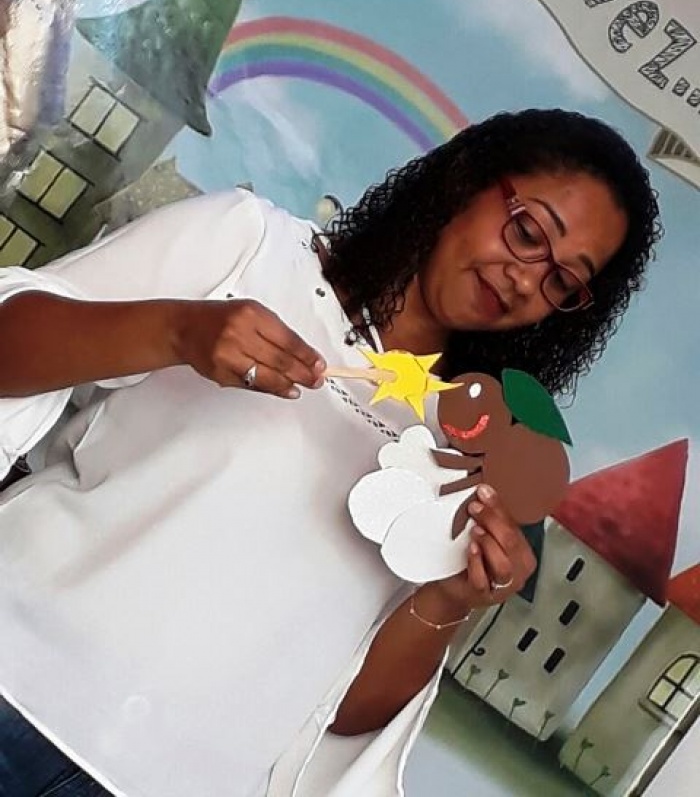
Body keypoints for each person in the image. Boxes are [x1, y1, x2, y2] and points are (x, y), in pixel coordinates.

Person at [0, 109, 661, 797]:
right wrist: (177, 331)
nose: (527, 280)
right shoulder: (250, 248)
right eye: (527, 233)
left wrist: (453, 594)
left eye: (562, 282)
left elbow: (343, 714)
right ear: (466, 177)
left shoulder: (472, 456)